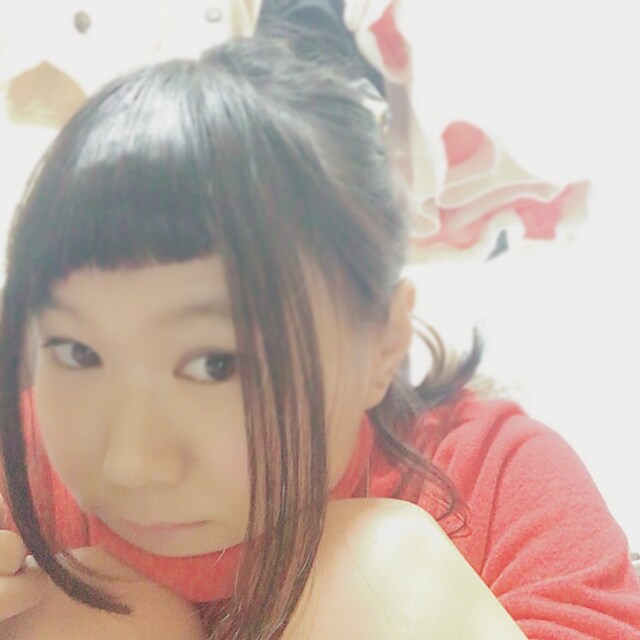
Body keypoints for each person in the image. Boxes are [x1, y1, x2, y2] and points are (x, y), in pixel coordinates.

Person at [0, 35, 638, 639]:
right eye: (78, 352)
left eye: (216, 364)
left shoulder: (496, 482)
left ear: (382, 343)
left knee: (376, 575)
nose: (132, 464)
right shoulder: (22, 459)